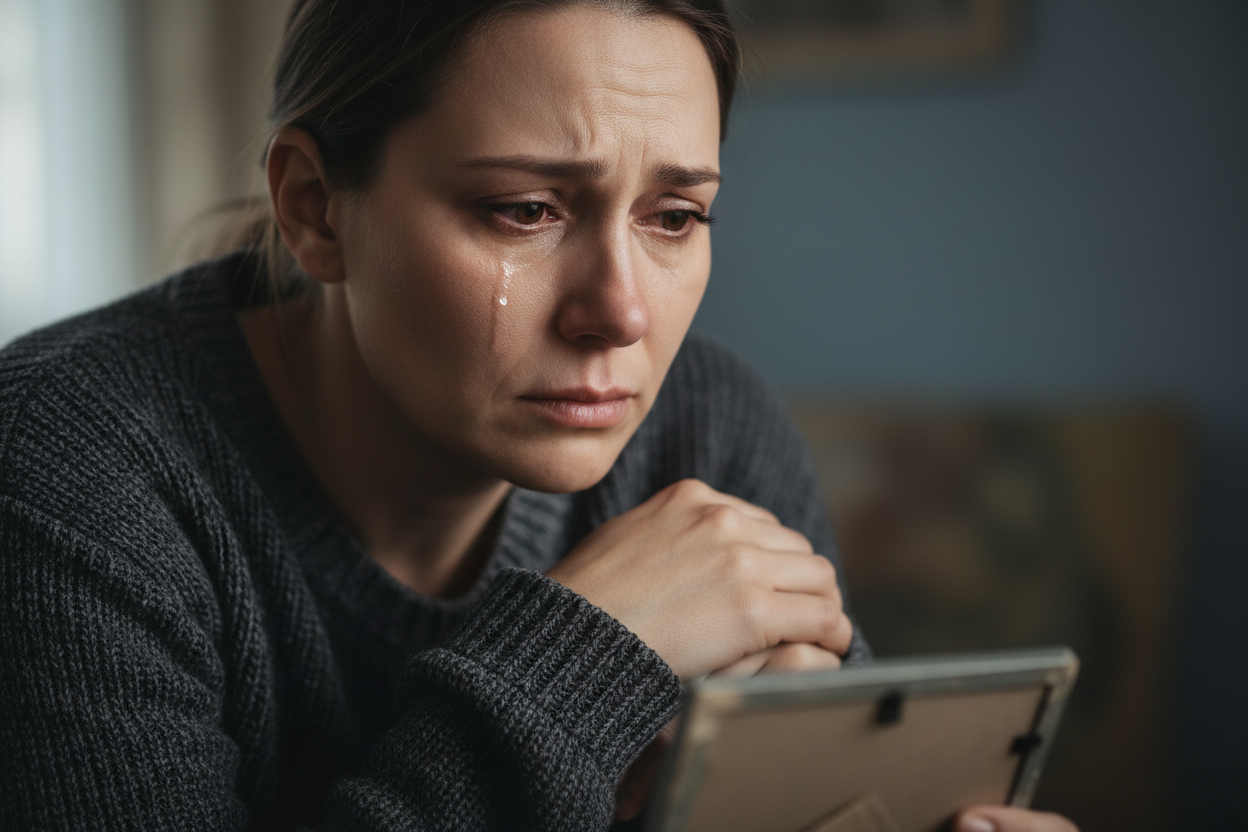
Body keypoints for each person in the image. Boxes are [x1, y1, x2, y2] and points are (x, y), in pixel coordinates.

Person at [0, 1, 1078, 830]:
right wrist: (579, 665)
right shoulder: (61, 466)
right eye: (525, 209)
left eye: (675, 216)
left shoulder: (710, 430)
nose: (620, 313)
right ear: (315, 208)